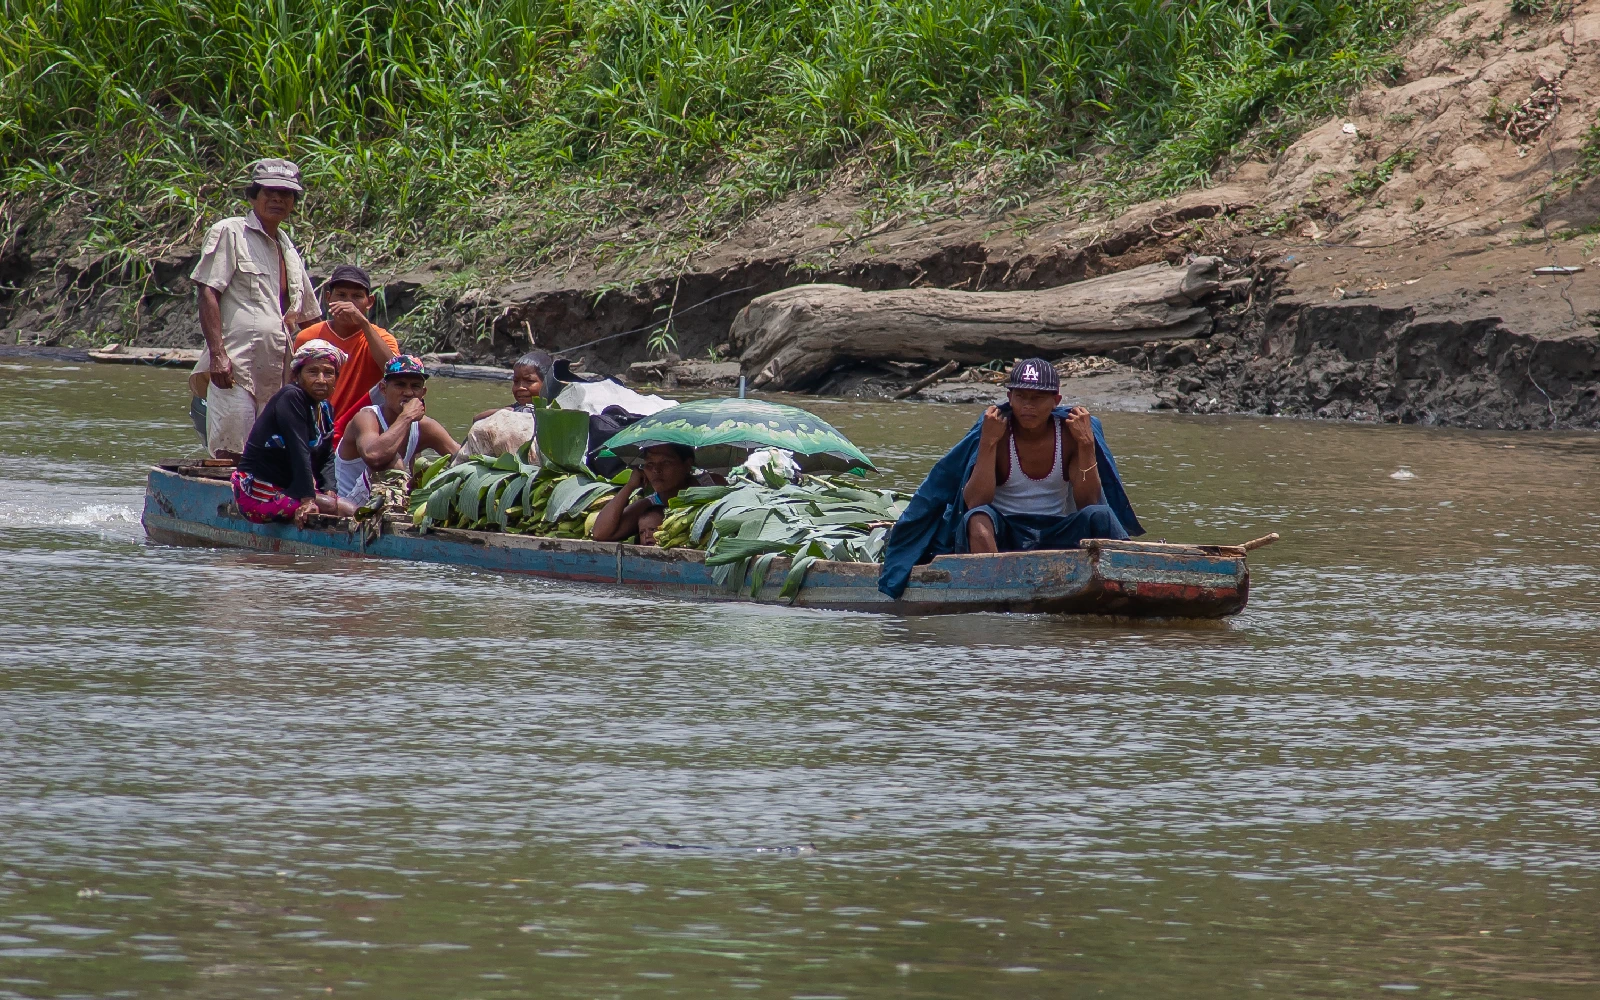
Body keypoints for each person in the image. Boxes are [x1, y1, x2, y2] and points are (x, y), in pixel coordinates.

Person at [877, 358, 1144, 599]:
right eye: (1021, 396)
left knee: (1101, 515)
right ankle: (997, 596)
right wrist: (988, 443)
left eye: (1038, 398)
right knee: (978, 519)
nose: (1028, 405)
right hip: (1005, 534)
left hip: (1056, 532)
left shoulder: (1072, 434)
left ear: (1056, 400)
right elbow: (975, 501)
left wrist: (1087, 445)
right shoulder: (996, 430)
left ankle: (1134, 586)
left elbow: (1088, 500)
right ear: (1009, 397)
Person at [189, 158, 323, 458]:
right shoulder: (230, 232)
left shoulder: (288, 248)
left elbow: (310, 318)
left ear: (293, 202)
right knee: (232, 450)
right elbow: (208, 290)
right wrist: (218, 355)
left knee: (272, 457)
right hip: (236, 366)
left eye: (286, 194)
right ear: (253, 196)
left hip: (280, 372)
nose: (277, 198)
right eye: (269, 191)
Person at [231, 340, 356, 526]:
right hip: (259, 493)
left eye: (328, 373)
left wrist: (329, 489)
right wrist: (308, 500)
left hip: (289, 488)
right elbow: (298, 449)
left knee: (339, 505)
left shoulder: (325, 408)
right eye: (313, 372)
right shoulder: (291, 396)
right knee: (345, 509)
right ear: (298, 376)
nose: (321, 380)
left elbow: (327, 456)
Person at [293, 264, 398, 443]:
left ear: (369, 302)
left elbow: (396, 373)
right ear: (328, 298)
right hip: (316, 430)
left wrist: (364, 323)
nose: (348, 303)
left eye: (357, 296)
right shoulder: (308, 336)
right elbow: (292, 385)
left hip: (362, 431)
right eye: (341, 295)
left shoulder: (382, 338)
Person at [336, 355, 459, 506]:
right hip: (348, 504)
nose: (408, 393)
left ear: (423, 392)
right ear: (383, 389)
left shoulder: (425, 426)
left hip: (385, 500)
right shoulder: (366, 417)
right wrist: (406, 417)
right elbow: (374, 457)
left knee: (427, 469)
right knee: (393, 463)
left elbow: (461, 457)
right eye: (400, 385)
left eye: (415, 386)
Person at [590, 444, 719, 545]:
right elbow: (600, 533)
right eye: (649, 463)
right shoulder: (650, 505)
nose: (656, 470)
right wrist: (630, 486)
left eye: (666, 462)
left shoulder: (712, 485)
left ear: (687, 465)